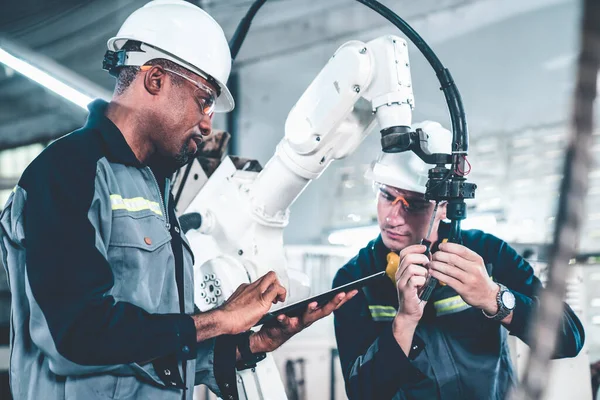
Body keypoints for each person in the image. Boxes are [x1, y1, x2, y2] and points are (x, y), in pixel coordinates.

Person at [0, 1, 356, 399]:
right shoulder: (69, 172)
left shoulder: (155, 186)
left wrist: (250, 344)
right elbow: (78, 334)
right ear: (154, 79)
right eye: (203, 100)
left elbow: (153, 350)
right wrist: (219, 319)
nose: (208, 123)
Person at [332, 121, 585, 399]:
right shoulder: (356, 277)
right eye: (386, 195)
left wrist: (493, 297)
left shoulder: (487, 253)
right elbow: (363, 393)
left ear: (445, 207)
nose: (392, 218)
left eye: (414, 205)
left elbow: (569, 338)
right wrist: (404, 320)